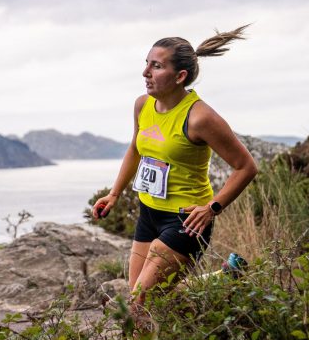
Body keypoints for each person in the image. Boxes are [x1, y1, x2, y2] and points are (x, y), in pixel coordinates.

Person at [91, 25, 258, 312]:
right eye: (146, 64)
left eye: (156, 66)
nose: (145, 73)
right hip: (149, 214)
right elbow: (135, 148)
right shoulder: (143, 105)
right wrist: (115, 194)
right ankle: (225, 277)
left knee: (138, 304)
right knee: (151, 298)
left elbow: (246, 167)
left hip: (186, 220)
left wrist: (212, 208)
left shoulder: (200, 117)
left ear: (180, 76)